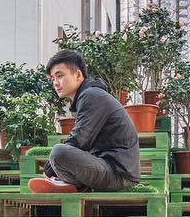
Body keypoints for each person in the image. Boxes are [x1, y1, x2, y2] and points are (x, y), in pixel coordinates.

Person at [28, 50, 141, 193]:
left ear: (78, 75)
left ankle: (66, 182)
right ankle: (67, 183)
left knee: (59, 152)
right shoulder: (89, 95)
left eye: (60, 76)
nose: (56, 83)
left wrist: (49, 169)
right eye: (53, 79)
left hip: (118, 173)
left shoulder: (92, 96)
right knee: (60, 153)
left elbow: (80, 140)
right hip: (109, 167)